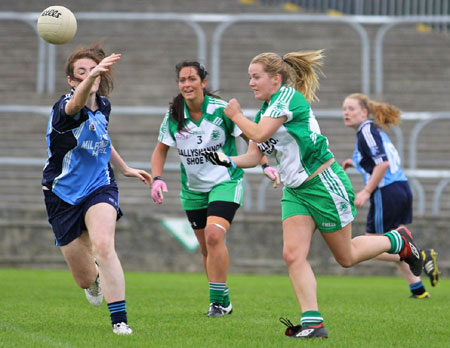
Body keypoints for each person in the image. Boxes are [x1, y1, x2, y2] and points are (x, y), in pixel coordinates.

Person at [202, 50, 424, 339]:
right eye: (249, 78)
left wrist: (234, 115)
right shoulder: (264, 111)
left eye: (256, 77)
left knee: (347, 257)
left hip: (323, 185)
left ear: (276, 78)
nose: (251, 83)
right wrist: (224, 159)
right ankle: (313, 323)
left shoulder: (287, 98)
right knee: (292, 255)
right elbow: (254, 155)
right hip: (295, 192)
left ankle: (398, 241)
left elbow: (257, 133)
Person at [150, 60, 279, 318]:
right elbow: (160, 150)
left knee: (213, 235)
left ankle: (216, 304)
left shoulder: (221, 110)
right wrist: (157, 178)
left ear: (203, 83)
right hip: (193, 189)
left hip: (225, 181)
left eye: (192, 79)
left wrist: (265, 165)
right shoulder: (174, 116)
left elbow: (251, 138)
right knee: (206, 248)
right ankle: (224, 297)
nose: (187, 84)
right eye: (182, 80)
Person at [42, 41, 152, 335]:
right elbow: (77, 105)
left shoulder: (104, 105)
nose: (90, 75)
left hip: (99, 186)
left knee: (104, 246)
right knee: (85, 278)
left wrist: (124, 167)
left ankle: (120, 322)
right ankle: (94, 281)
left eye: (94, 70)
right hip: (61, 195)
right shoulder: (64, 109)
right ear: (71, 80)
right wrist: (93, 76)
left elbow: (101, 137)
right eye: (82, 72)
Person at [341, 93, 440, 296]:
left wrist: (367, 191)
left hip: (387, 192)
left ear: (365, 112)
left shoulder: (366, 130)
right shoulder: (372, 131)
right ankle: (418, 289)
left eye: (351, 109)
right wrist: (354, 162)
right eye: (344, 109)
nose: (346, 113)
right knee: (396, 239)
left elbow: (383, 163)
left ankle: (420, 255)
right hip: (401, 188)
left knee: (373, 244)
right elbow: (381, 158)